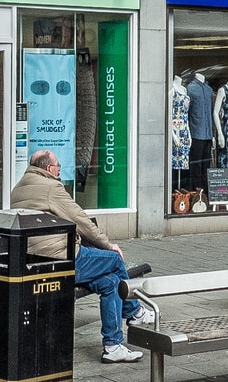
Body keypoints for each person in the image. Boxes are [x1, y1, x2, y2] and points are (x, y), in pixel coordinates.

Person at [9, 148, 143, 363]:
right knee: (115, 259)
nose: (59, 171)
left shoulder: (18, 188)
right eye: (58, 167)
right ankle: (134, 311)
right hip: (61, 258)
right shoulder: (52, 187)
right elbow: (80, 220)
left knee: (110, 283)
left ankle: (113, 346)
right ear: (50, 168)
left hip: (32, 259)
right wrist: (109, 245)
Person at [185, 71, 215, 191]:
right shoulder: (190, 89)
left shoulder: (209, 89)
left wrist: (213, 134)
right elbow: (187, 111)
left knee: (206, 165)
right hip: (196, 133)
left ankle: (204, 192)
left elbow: (212, 112)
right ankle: (194, 191)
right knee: (195, 165)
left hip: (208, 134)